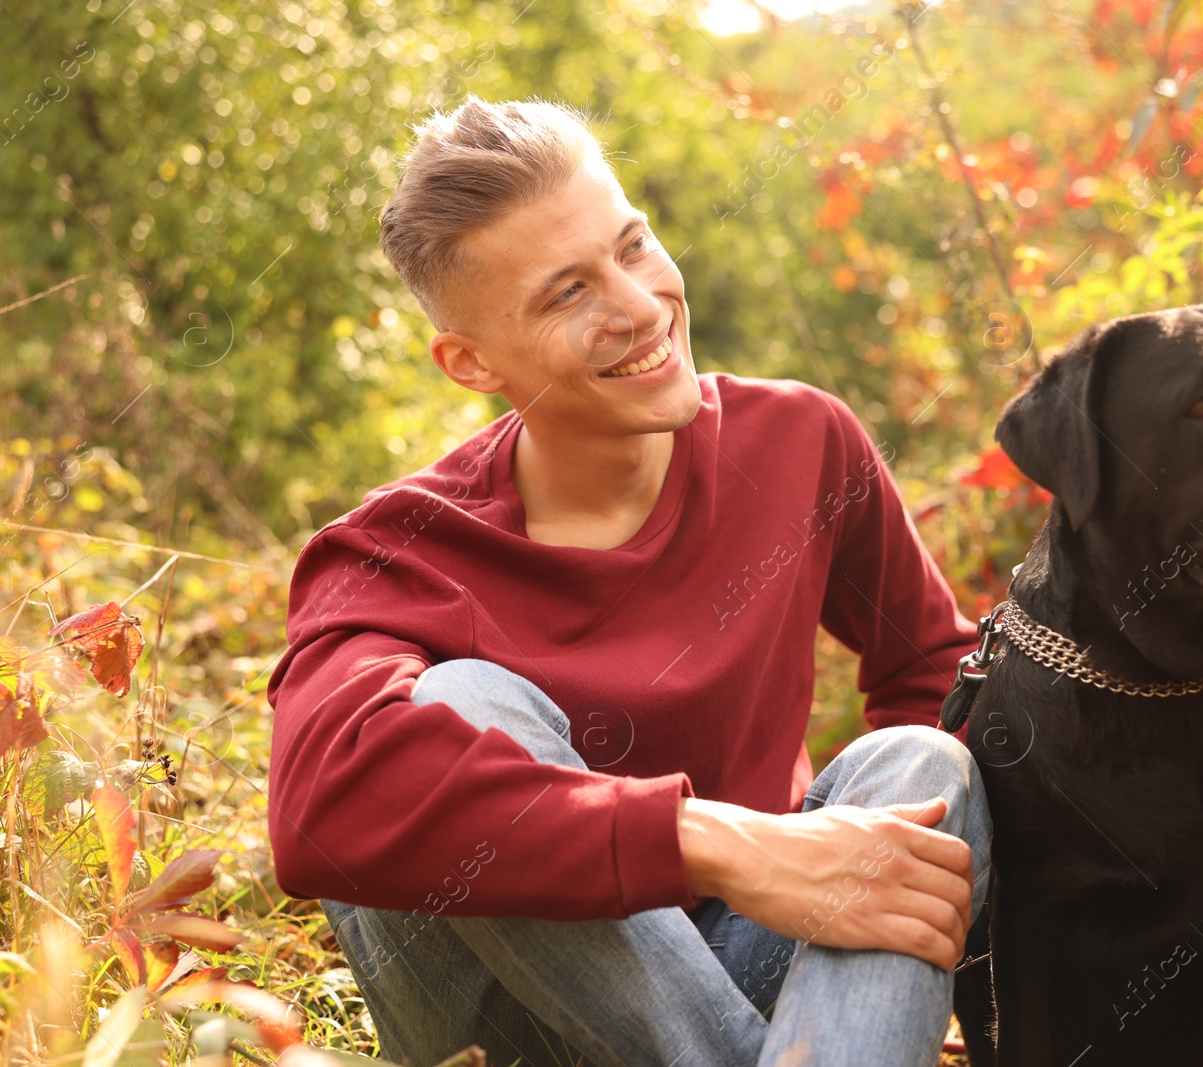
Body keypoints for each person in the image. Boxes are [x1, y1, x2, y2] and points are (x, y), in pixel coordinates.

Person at [265, 96, 990, 1067]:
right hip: (511, 1016)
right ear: (470, 360)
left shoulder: (801, 442)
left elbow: (935, 672)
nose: (642, 305)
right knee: (460, 702)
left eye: (634, 245)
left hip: (743, 958)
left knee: (922, 763)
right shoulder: (398, 550)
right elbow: (320, 802)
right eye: (568, 292)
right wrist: (721, 842)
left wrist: (826, 874)